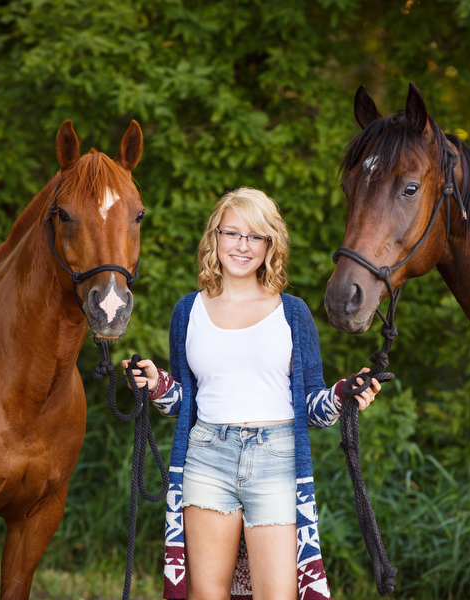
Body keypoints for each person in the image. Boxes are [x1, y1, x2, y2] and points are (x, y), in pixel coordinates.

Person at [122, 187, 381, 600]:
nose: (242, 246)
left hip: (276, 460)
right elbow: (187, 404)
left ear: (269, 245)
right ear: (216, 237)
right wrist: (156, 384)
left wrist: (343, 394)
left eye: (255, 236)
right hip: (206, 456)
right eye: (232, 233)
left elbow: (310, 406)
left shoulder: (293, 313)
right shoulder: (187, 312)